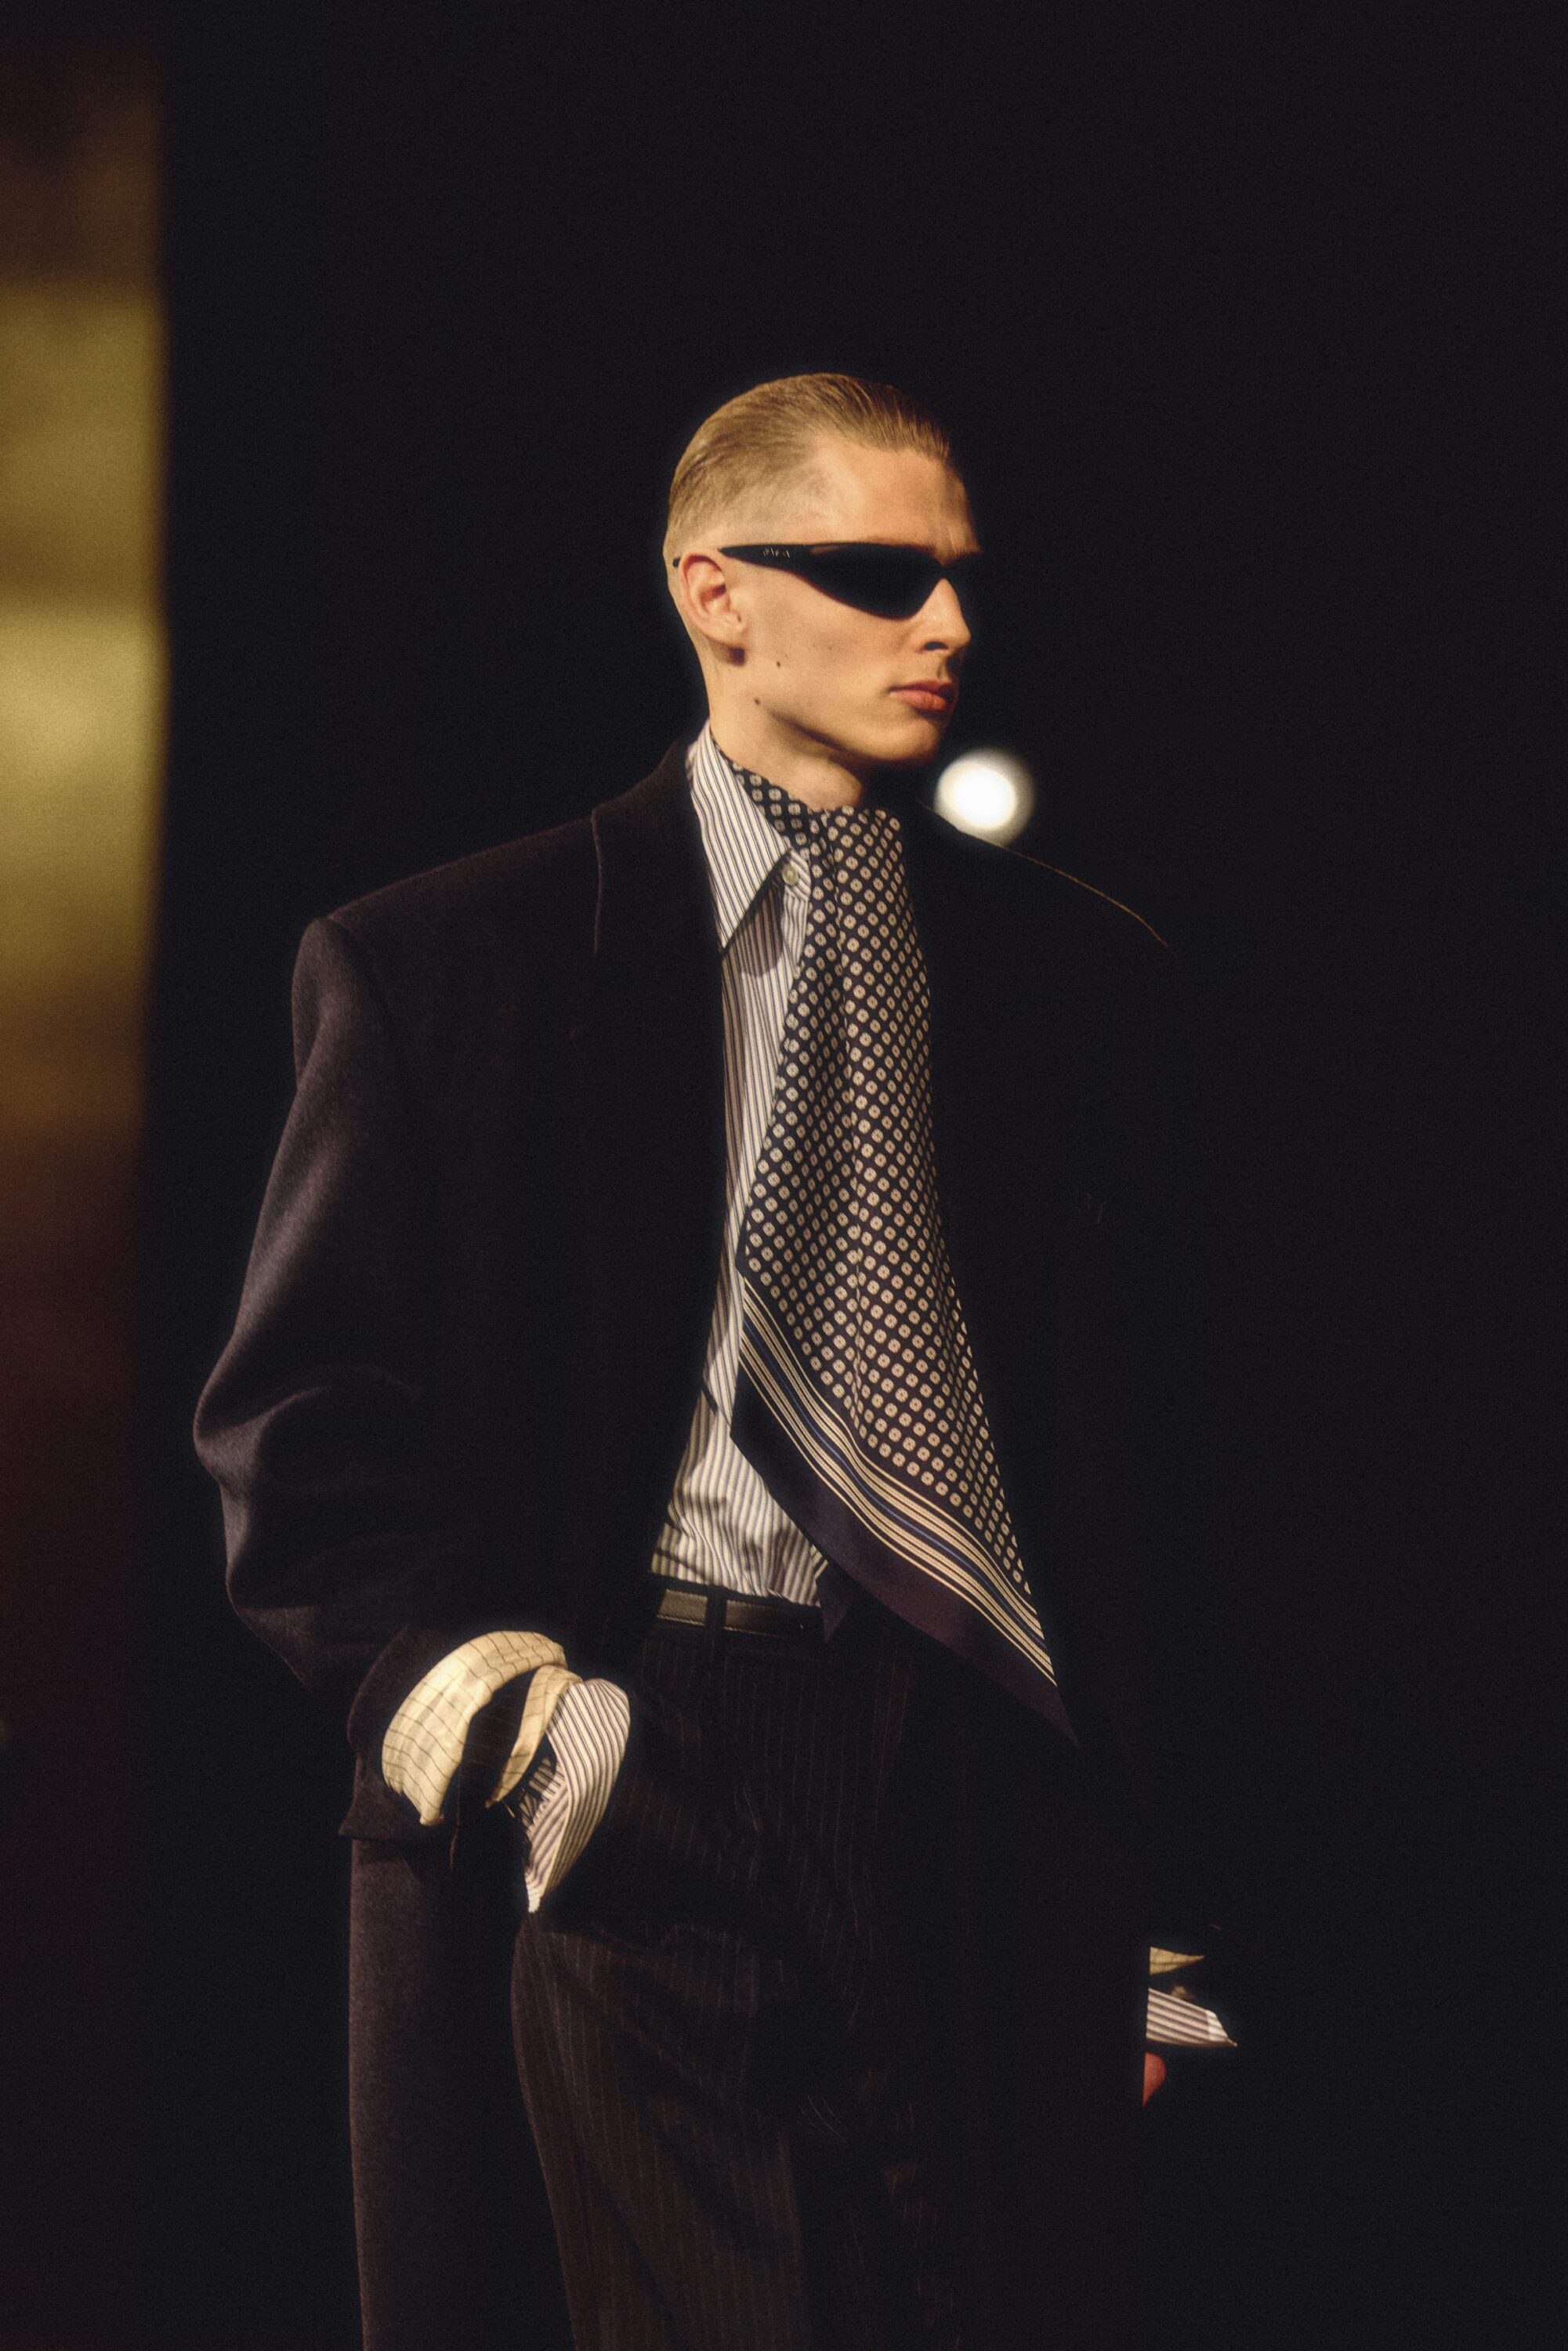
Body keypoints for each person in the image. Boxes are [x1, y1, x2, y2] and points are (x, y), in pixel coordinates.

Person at [195, 373, 1218, 2351]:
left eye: (956, 576)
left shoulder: (1075, 981)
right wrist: (530, 1733)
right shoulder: (446, 962)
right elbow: (295, 1429)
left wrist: (1152, 1926)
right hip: (630, 1748)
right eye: (878, 573)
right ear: (713, 592)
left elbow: (1148, 1478)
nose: (945, 621)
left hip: (972, 1779)